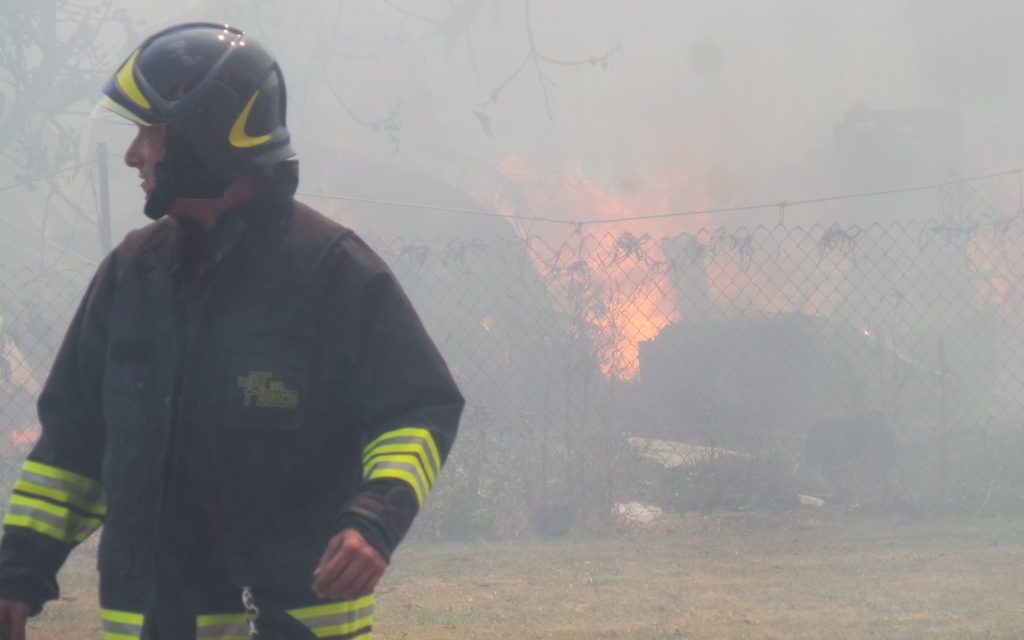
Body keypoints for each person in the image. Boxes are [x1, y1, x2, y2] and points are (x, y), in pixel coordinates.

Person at [0, 22, 463, 640]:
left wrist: (374, 519)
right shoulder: (131, 275)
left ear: (204, 138)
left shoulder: (333, 272)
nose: (134, 155)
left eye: (150, 133)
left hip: (290, 619)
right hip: (147, 620)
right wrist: (18, 572)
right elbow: (73, 444)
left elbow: (416, 409)